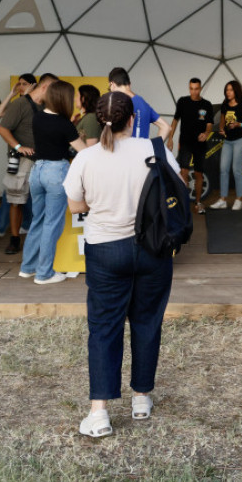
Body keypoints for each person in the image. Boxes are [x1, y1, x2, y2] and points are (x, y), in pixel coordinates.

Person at [63, 91, 180, 438]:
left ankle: (99, 413)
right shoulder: (155, 150)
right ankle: (141, 398)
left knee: (104, 327)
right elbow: (178, 190)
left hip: (105, 250)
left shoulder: (85, 158)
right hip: (153, 249)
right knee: (147, 321)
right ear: (133, 119)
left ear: (99, 120)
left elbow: (75, 206)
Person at [19, 80, 88, 284]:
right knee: (52, 223)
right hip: (56, 172)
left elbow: (51, 138)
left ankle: (27, 268)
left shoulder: (38, 117)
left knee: (38, 220)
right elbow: (84, 152)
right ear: (64, 99)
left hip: (37, 171)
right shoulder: (64, 124)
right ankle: (44, 274)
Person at [0, 73, 57, 255]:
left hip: (43, 160)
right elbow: (3, 129)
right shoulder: (20, 104)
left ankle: (41, 239)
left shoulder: (47, 106)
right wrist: (19, 147)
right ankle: (15, 239)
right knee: (16, 200)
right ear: (45, 87)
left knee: (43, 201)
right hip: (23, 160)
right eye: (54, 89)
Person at [0, 74, 37, 237]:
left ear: (34, 86)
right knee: (21, 193)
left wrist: (26, 96)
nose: (21, 86)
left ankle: (0, 225)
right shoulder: (18, 104)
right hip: (16, 155)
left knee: (14, 191)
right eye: (19, 84)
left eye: (24, 84)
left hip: (27, 156)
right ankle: (26, 224)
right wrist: (11, 94)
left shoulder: (34, 105)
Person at [167, 77, 214, 214]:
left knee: (199, 174)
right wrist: (170, 138)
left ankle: (198, 203)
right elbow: (175, 121)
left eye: (196, 89)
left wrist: (206, 133)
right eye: (191, 89)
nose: (193, 92)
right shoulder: (182, 101)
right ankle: (183, 203)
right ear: (189, 88)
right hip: (185, 142)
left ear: (200, 88)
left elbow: (209, 124)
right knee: (184, 172)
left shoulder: (207, 104)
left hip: (200, 144)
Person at [210, 80, 242, 210]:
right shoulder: (225, 105)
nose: (228, 92)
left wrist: (239, 124)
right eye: (226, 90)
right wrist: (222, 129)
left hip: (240, 140)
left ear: (236, 91)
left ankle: (239, 199)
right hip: (228, 141)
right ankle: (223, 200)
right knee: (223, 169)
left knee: (236, 170)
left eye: (230, 90)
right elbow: (222, 121)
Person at [107, 67, 169, 140]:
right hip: (143, 147)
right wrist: (154, 146)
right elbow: (166, 127)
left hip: (125, 147)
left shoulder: (119, 103)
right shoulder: (144, 104)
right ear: (129, 84)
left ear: (112, 84)